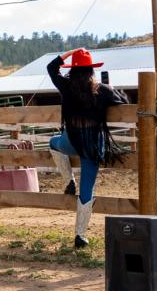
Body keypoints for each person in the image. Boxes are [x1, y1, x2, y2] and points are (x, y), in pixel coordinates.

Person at [47, 48, 127, 249]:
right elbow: (124, 102)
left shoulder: (66, 86)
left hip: (71, 141)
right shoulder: (102, 90)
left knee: (53, 143)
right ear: (92, 70)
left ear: (72, 70)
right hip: (92, 146)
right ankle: (80, 235)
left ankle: (68, 181)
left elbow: (51, 67)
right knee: (87, 189)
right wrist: (111, 88)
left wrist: (69, 53)